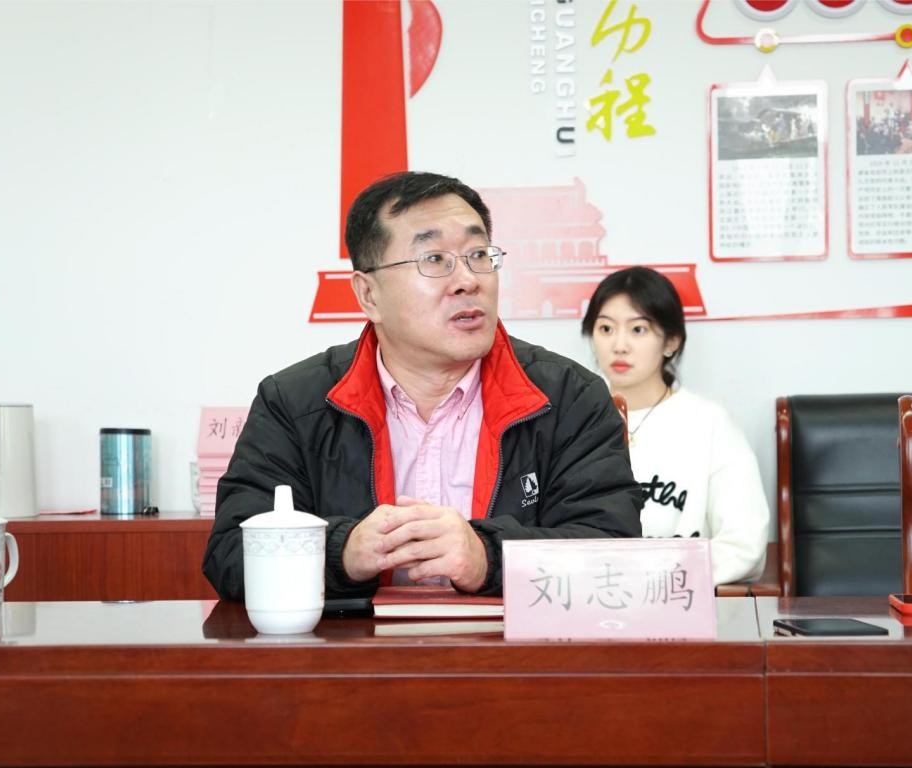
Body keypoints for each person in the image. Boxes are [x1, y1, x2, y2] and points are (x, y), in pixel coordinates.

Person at [203, 171, 642, 601]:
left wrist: (487, 557)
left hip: (508, 647)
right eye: (434, 260)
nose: (468, 280)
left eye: (478, 254)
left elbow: (612, 551)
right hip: (352, 649)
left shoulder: (568, 398)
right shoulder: (294, 402)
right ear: (369, 295)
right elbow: (230, 554)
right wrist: (342, 552)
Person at [580, 266, 769, 586]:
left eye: (638, 330)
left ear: (671, 341)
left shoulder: (710, 423)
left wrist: (650, 575)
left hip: (679, 599)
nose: (619, 345)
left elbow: (744, 546)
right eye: (606, 328)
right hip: (591, 597)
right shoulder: (573, 421)